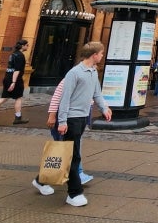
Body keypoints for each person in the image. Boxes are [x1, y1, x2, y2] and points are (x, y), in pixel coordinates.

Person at [33, 41, 112, 206]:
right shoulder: (74, 73)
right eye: (101, 53)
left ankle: (41, 180)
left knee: (67, 153)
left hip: (83, 117)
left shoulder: (93, 71)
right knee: (73, 155)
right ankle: (74, 193)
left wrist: (104, 108)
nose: (102, 56)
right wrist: (61, 121)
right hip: (71, 118)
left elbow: (96, 93)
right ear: (94, 55)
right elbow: (64, 98)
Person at [44, 78, 94, 186]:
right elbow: (56, 97)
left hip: (78, 116)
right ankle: (77, 174)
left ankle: (45, 179)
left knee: (68, 148)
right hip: (67, 118)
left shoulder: (89, 77)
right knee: (67, 148)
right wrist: (52, 116)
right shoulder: (73, 77)